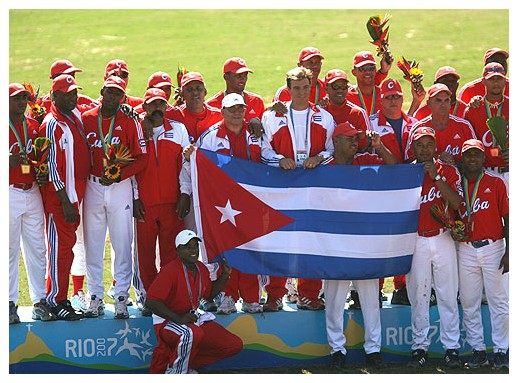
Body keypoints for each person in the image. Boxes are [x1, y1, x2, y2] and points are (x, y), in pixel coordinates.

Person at [323, 122, 397, 370]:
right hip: (335, 245)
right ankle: (337, 350)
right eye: (350, 139)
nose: (355, 143)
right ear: (336, 141)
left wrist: (380, 147)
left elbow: (395, 170)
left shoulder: (366, 160)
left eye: (357, 138)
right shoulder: (322, 167)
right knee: (333, 301)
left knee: (370, 298)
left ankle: (373, 349)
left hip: (365, 243)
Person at [261, 66, 335, 311]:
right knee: (279, 241)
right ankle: (274, 295)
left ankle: (309, 293)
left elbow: (332, 150)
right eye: (296, 88)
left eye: (306, 88)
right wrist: (279, 159)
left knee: (311, 241)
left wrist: (319, 158)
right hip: (282, 188)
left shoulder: (323, 117)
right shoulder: (273, 116)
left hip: (313, 191)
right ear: (288, 89)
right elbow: (264, 150)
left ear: (311, 87)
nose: (302, 93)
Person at [81, 76, 148, 319]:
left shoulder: (130, 120)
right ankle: (95, 297)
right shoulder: (87, 118)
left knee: (122, 243)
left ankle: (121, 296)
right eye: (109, 92)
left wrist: (120, 175)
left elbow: (143, 158)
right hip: (93, 186)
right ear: (101, 91)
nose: (113, 97)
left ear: (123, 97)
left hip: (120, 188)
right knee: (93, 244)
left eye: (118, 94)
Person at [193, 93, 263, 315]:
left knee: (251, 247)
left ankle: (252, 297)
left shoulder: (256, 135)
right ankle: (229, 295)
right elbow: (196, 165)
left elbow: (269, 157)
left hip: (251, 201)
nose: (236, 113)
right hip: (223, 205)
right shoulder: (210, 137)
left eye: (240, 109)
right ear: (222, 112)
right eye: (231, 109)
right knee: (228, 249)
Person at [145, 229, 243, 374]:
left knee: (233, 345)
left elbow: (208, 295)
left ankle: (185, 363)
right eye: (187, 246)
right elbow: (151, 302)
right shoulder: (170, 271)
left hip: (192, 318)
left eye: (195, 246)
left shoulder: (201, 268)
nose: (193, 250)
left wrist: (224, 276)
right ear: (178, 250)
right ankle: (176, 372)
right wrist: (178, 318)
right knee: (190, 334)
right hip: (167, 322)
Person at [405, 126, 463, 369]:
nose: (425, 149)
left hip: (443, 238)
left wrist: (436, 177)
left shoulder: (447, 170)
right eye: (420, 144)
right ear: (413, 147)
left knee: (448, 294)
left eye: (429, 144)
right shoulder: (405, 173)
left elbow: (458, 202)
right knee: (419, 296)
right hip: (415, 240)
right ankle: (420, 347)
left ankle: (451, 348)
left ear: (435, 146)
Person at [131, 88, 191, 316]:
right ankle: (147, 297)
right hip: (145, 204)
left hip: (172, 203)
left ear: (167, 107)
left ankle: (167, 297)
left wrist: (185, 193)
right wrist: (135, 198)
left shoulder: (178, 130)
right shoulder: (136, 129)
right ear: (144, 108)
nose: (157, 109)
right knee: (144, 255)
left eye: (161, 104)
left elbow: (185, 164)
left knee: (171, 255)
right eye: (152, 104)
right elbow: (133, 167)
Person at [38, 74, 91, 320]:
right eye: (68, 93)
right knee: (60, 250)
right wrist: (64, 200)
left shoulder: (72, 116)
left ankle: (60, 297)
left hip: (73, 198)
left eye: (75, 93)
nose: (73, 97)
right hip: (61, 201)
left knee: (67, 250)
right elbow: (50, 166)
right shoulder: (51, 123)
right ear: (54, 96)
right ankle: (54, 300)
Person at [369, 78, 423, 305]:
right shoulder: (370, 122)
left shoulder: (414, 123)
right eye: (388, 97)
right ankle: (377, 288)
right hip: (380, 194)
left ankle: (401, 286)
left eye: (397, 96)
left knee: (405, 240)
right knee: (380, 242)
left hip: (407, 195)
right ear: (380, 100)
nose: (393, 100)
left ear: (403, 98)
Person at [456, 139, 509, 370]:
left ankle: (502, 350)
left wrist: (510, 251)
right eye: (468, 155)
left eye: (477, 155)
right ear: (462, 159)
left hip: (493, 247)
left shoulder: (496, 182)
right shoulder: (456, 185)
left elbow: (509, 218)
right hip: (465, 249)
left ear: (483, 158)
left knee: (499, 301)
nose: (473, 159)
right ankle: (478, 350)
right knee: (469, 302)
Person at [9, 83, 56, 323]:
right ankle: (8, 303)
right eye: (16, 98)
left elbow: (42, 160)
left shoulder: (34, 127)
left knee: (38, 249)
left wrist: (43, 173)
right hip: (9, 194)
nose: (21, 102)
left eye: (24, 98)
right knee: (8, 250)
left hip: (33, 192)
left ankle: (40, 301)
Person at [404, 84, 476, 166]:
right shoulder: (419, 127)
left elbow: (476, 155)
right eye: (438, 100)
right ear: (429, 103)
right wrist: (437, 157)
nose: (443, 104)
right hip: (426, 175)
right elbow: (408, 160)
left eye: (446, 100)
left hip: (459, 174)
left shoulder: (464, 126)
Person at [463, 62, 509, 182]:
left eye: (499, 79)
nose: (495, 83)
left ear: (505, 81)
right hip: (484, 172)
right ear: (483, 81)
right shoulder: (473, 110)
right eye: (491, 79)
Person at [206, 57, 265, 137]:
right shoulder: (211, 105)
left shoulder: (257, 101)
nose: (243, 78)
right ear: (226, 77)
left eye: (245, 75)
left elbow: (265, 132)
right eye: (238, 75)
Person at [29, 59, 99, 123]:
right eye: (67, 75)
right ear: (55, 78)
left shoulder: (81, 100)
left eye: (73, 75)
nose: (71, 79)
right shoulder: (40, 104)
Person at [169, 71, 222, 144]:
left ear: (205, 92)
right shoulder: (172, 115)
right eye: (189, 89)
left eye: (198, 88)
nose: (195, 92)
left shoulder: (219, 116)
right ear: (182, 94)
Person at [346, 50, 391, 116]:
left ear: (375, 70)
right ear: (354, 72)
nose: (368, 72)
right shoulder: (346, 96)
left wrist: (383, 71)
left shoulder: (384, 95)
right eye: (363, 69)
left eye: (371, 68)